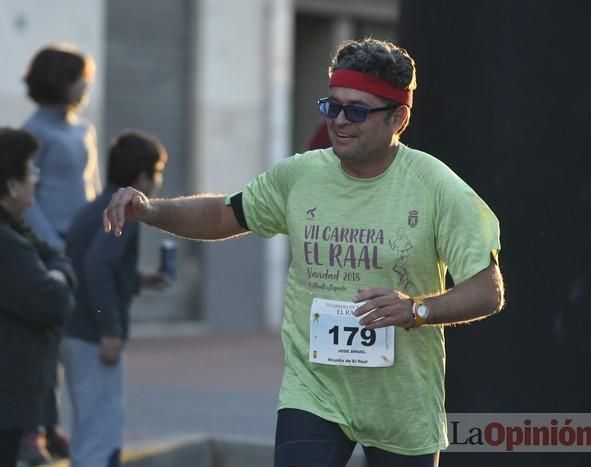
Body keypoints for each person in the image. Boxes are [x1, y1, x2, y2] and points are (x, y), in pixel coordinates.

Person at [103, 38, 504, 467]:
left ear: (398, 118)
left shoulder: (438, 188)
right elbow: (223, 215)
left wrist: (415, 311)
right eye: (333, 106)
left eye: (357, 111)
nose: (340, 122)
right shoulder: (300, 175)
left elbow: (488, 290)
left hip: (400, 401)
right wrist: (150, 209)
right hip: (314, 392)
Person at [62, 131, 169, 467]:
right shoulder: (128, 211)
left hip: (73, 331)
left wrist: (139, 279)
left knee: (86, 431)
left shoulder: (92, 208)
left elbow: (90, 265)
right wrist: (109, 328)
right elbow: (97, 264)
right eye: (158, 172)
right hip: (94, 337)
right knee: (101, 437)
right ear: (141, 177)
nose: (158, 181)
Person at [19, 43, 101, 463]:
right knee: (43, 346)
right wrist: (52, 243)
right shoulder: (35, 131)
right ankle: (35, 429)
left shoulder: (84, 130)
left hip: (80, 248)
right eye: (77, 77)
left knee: (69, 345)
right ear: (58, 81)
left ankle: (54, 426)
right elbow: (27, 198)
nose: (85, 85)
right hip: (47, 248)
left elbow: (92, 193)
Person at [0, 128, 75, 466]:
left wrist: (57, 272)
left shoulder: (18, 230)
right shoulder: (8, 244)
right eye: (32, 172)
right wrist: (58, 277)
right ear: (12, 185)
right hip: (9, 405)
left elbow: (57, 258)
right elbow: (55, 304)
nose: (37, 180)